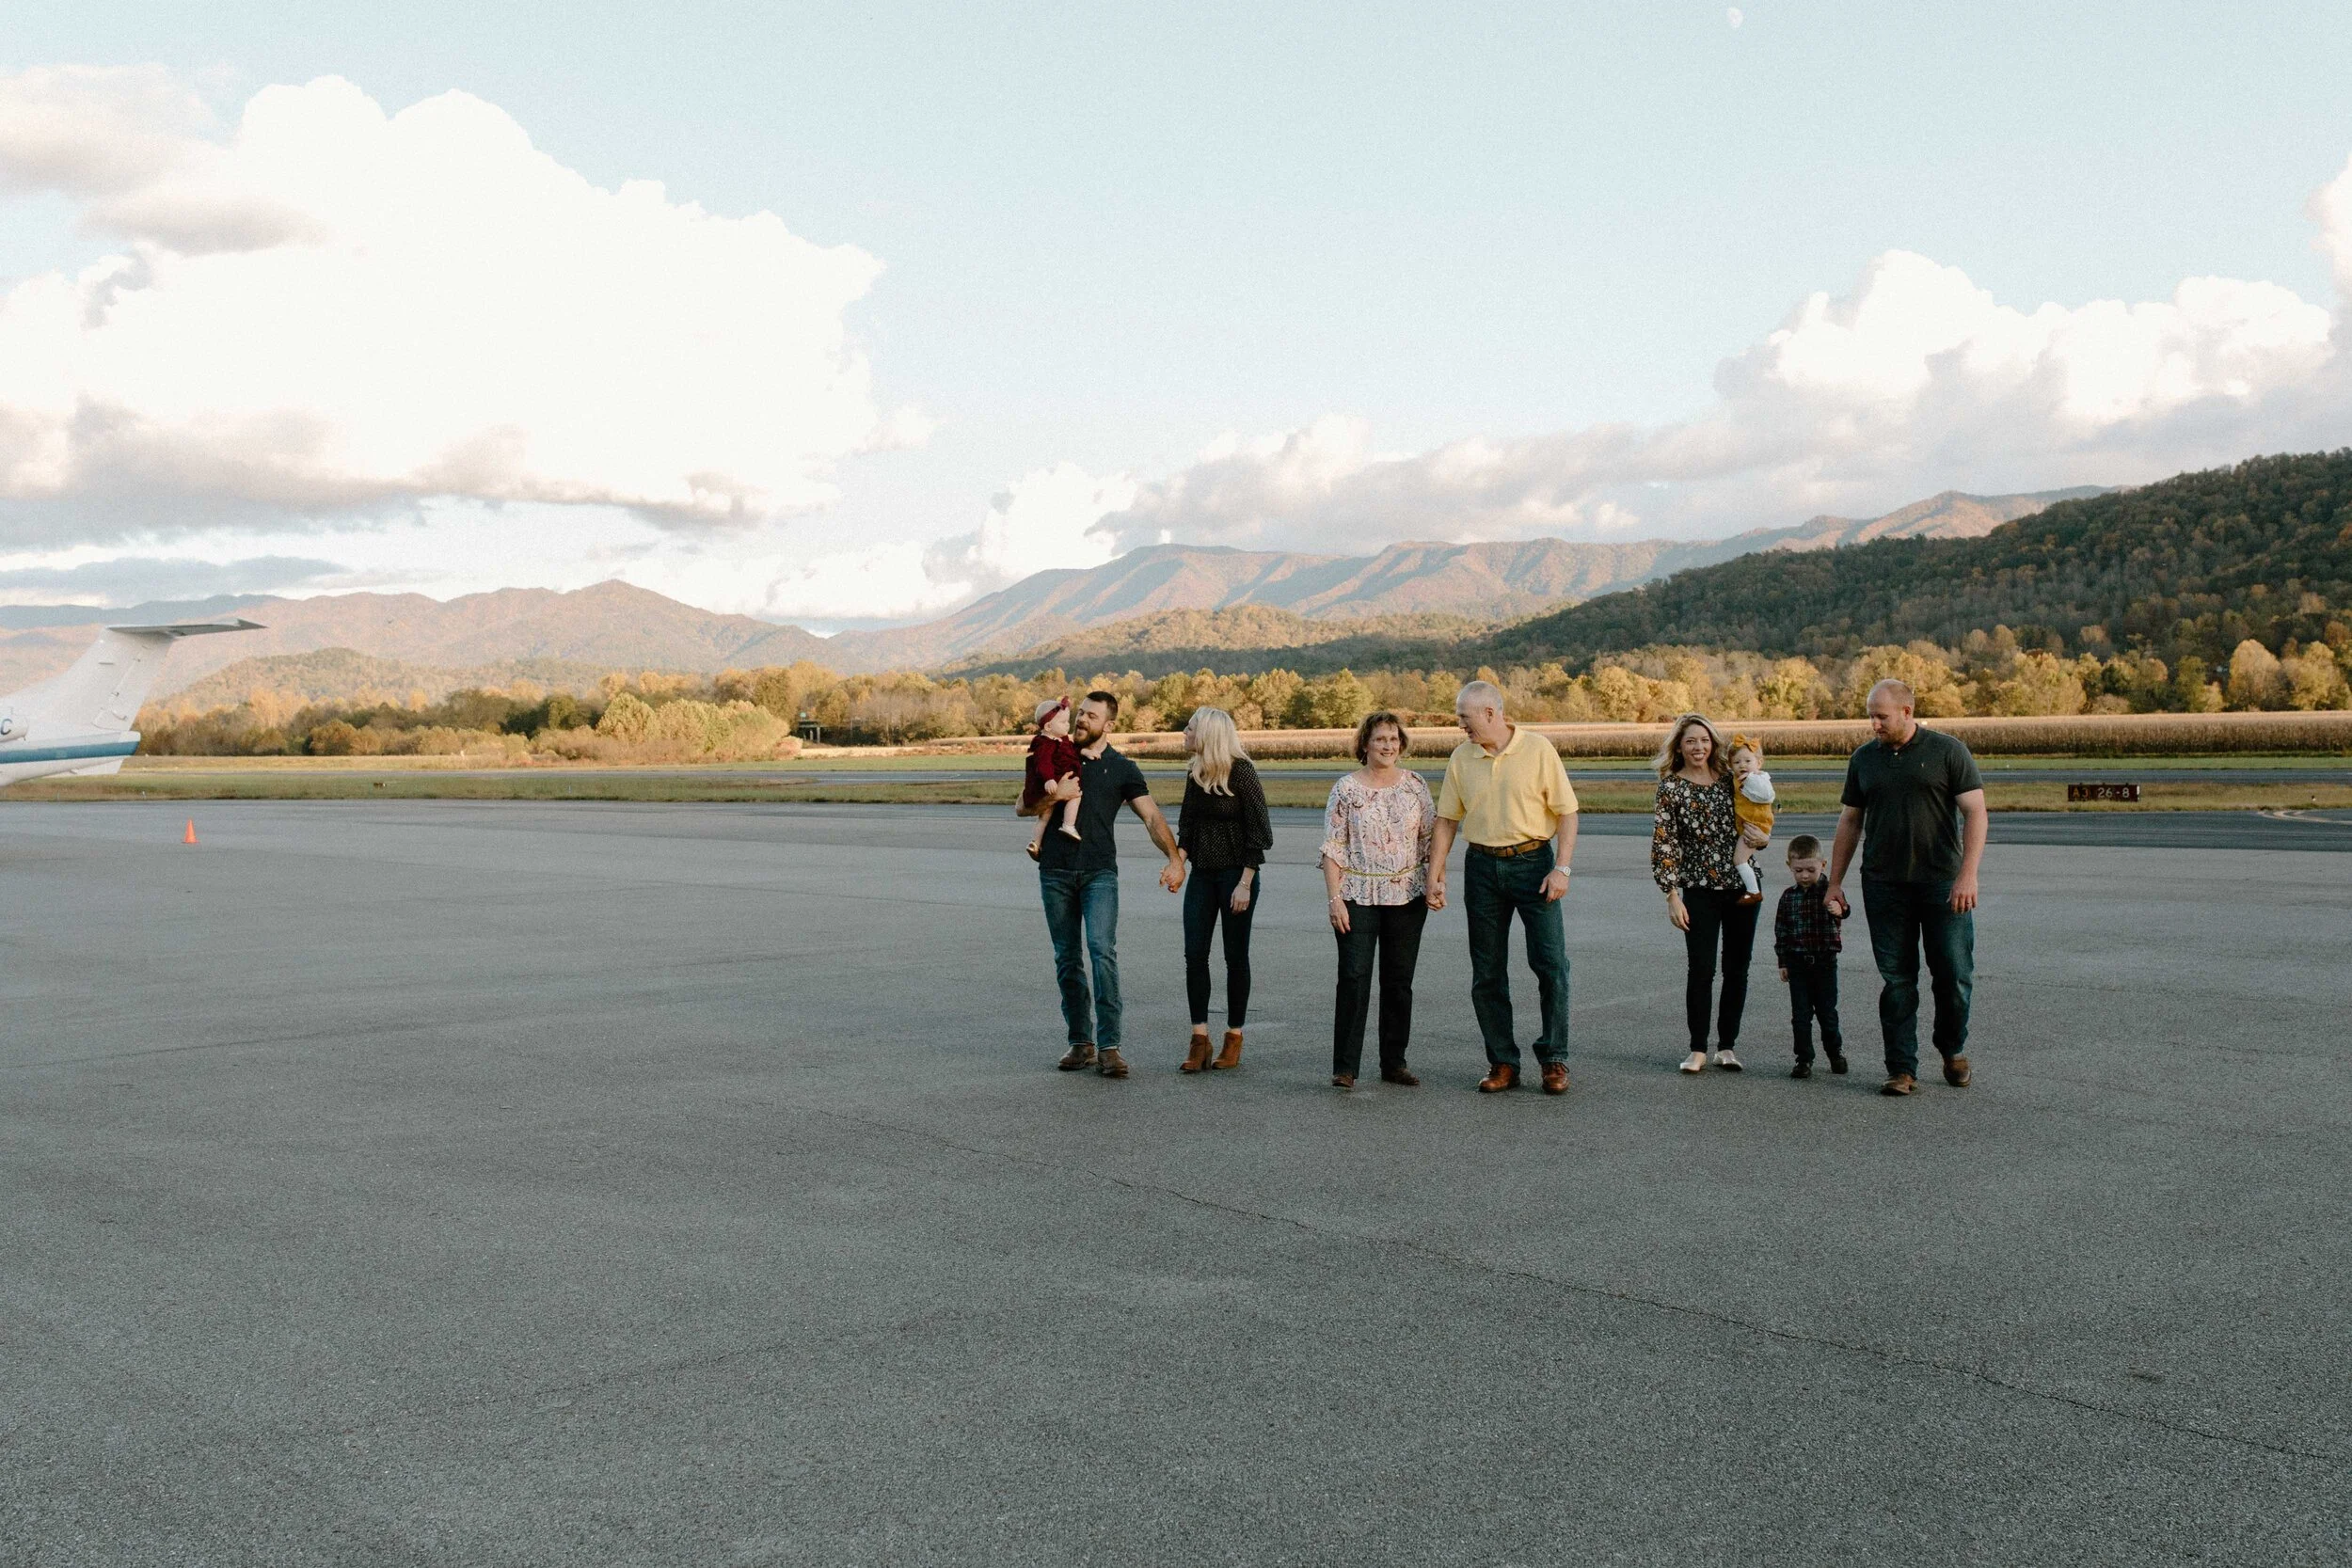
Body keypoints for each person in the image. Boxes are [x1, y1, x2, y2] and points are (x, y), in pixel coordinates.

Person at [1823, 678, 1989, 1097]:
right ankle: (1901, 1068)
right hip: (1884, 885)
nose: (1873, 724)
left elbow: (1976, 813)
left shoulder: (1948, 752)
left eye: (1881, 716)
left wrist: (1967, 874)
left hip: (1942, 885)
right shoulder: (1864, 760)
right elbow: (1850, 822)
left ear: (1907, 712)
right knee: (1897, 980)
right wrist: (1835, 882)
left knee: (1953, 974)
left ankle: (1952, 1049)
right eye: (1870, 717)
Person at [1427, 681, 1579, 1095]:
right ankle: (1502, 1062)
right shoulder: (1462, 757)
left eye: (1465, 717)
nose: (1460, 725)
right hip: (1481, 869)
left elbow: (1567, 812)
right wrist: (1435, 873)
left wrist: (1561, 868)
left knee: (1551, 966)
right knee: (1487, 972)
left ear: (1491, 713)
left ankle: (1554, 1059)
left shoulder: (1538, 750)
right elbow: (1447, 820)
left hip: (1535, 866)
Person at [1031, 690, 1185, 1080]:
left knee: (1102, 952)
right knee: (1066, 958)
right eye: (1079, 713)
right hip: (1055, 872)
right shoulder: (1056, 754)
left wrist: (1174, 858)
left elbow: (1150, 817)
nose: (1081, 720)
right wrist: (1056, 795)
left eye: (1091, 716)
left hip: (1099, 873)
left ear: (1109, 725)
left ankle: (1110, 1046)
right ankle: (1080, 1042)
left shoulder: (1121, 768)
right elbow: (1023, 805)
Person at [1319, 710, 1436, 1089]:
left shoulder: (1416, 786)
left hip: (1407, 895)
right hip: (1357, 895)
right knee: (1353, 977)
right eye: (1380, 738)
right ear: (1365, 745)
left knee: (1399, 981)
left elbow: (1431, 841)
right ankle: (1345, 1066)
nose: (1388, 745)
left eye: (1394, 738)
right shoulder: (1346, 789)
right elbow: (1333, 848)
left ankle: (1394, 1062)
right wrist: (1334, 898)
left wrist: (1437, 881)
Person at [1650, 711, 1769, 1075]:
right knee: (1701, 969)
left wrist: (1764, 839)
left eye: (1703, 740)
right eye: (1690, 741)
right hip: (1699, 890)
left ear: (1713, 743)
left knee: (1738, 969)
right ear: (1680, 747)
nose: (1698, 747)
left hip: (1741, 889)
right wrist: (1671, 894)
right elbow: (1665, 842)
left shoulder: (1732, 780)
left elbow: (1757, 815)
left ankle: (1727, 1047)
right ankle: (1698, 1048)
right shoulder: (1671, 787)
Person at [1173, 706, 1273, 1073]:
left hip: (1237, 876)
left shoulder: (1242, 772)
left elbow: (1260, 833)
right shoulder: (1195, 773)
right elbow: (1187, 828)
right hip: (1202, 875)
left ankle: (1233, 1037)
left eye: (1190, 727)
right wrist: (1176, 863)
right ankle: (1199, 1038)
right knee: (1194, 955)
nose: (1184, 732)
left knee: (1235, 957)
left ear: (1209, 734)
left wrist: (1245, 883)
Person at [1773, 833, 1847, 1078]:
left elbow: (1843, 910)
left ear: (1822, 865)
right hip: (1798, 964)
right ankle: (1803, 1059)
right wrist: (1783, 962)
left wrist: (1839, 909)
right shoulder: (1788, 897)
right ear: (1790, 868)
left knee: (1827, 1012)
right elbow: (1781, 931)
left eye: (1810, 870)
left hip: (1825, 962)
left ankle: (1834, 1052)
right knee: (1801, 1016)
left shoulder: (1830, 891)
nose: (1804, 875)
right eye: (1799, 870)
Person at [1021, 697, 1084, 859]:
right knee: (1076, 795)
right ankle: (1068, 825)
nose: (1068, 725)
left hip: (1053, 782)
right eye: (1063, 722)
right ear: (1049, 726)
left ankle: (1035, 843)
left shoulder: (1061, 740)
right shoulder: (1044, 744)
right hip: (1051, 782)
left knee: (1045, 815)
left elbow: (1073, 752)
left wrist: (1086, 753)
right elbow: (1043, 764)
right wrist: (1049, 778)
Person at [1726, 734, 1776, 904]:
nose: (1742, 766)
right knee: (1740, 859)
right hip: (1748, 823)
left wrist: (1750, 782)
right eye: (1737, 762)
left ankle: (1753, 891)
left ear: (1759, 763)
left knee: (1739, 859)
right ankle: (1752, 890)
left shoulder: (1758, 779)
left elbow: (1768, 796)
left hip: (1755, 826)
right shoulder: (1734, 778)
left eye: (1748, 761)